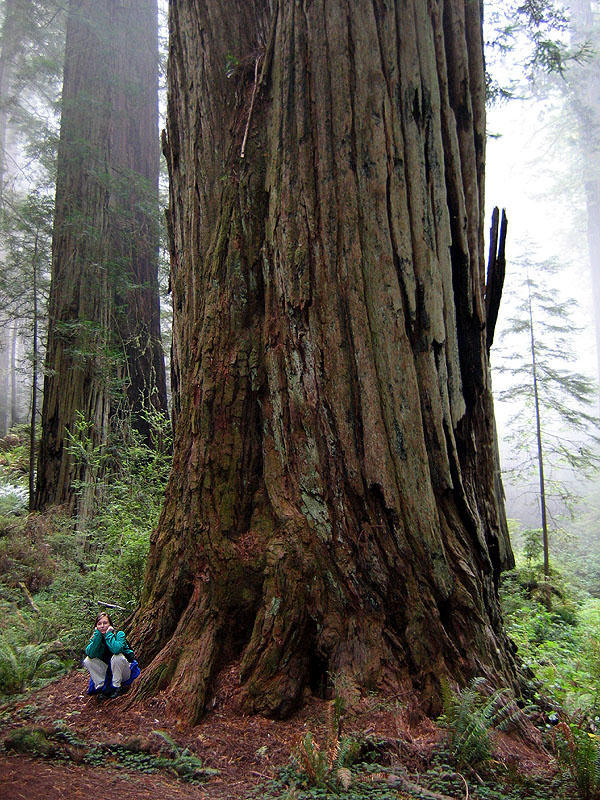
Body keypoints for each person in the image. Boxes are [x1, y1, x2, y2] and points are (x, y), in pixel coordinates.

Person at [83, 611, 140, 699]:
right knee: (88, 660)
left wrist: (109, 635)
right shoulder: (96, 638)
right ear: (96, 627)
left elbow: (116, 650)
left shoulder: (119, 635)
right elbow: (90, 654)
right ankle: (102, 688)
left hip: (124, 671)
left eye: (105, 623)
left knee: (116, 657)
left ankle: (116, 687)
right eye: (99, 624)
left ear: (110, 625)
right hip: (108, 672)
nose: (102, 626)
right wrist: (97, 636)